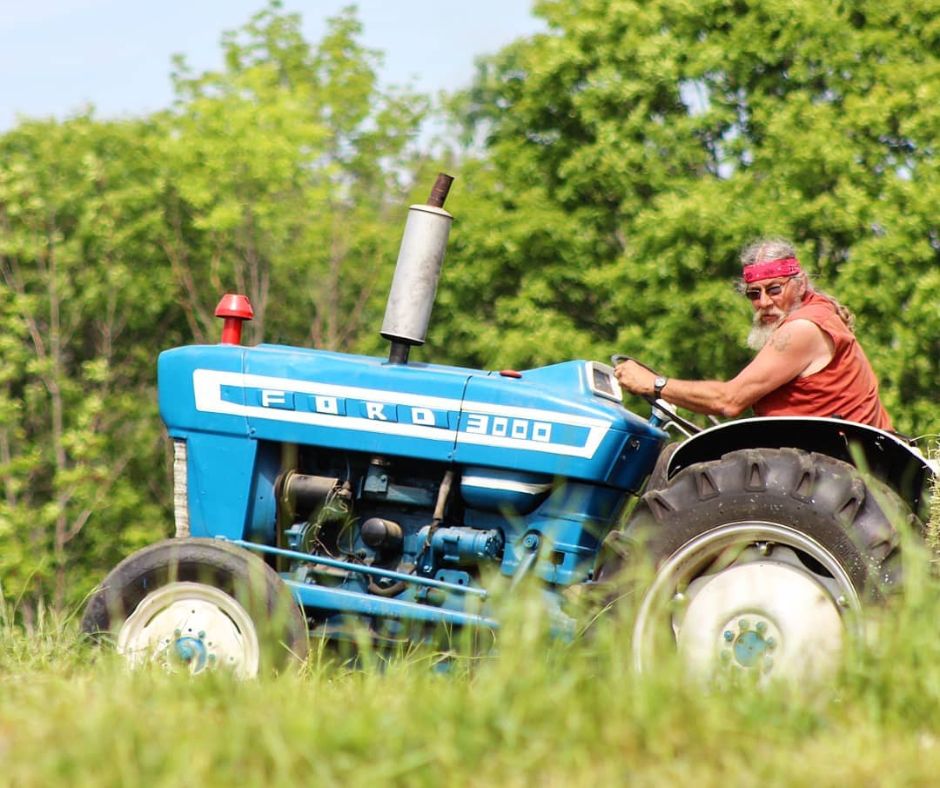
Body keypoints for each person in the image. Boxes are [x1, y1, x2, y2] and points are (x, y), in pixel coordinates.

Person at [614, 238, 893, 430]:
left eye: (774, 289)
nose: (764, 302)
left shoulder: (802, 329)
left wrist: (655, 384)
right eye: (754, 294)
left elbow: (729, 400)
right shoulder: (819, 315)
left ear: (800, 284)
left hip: (835, 465)